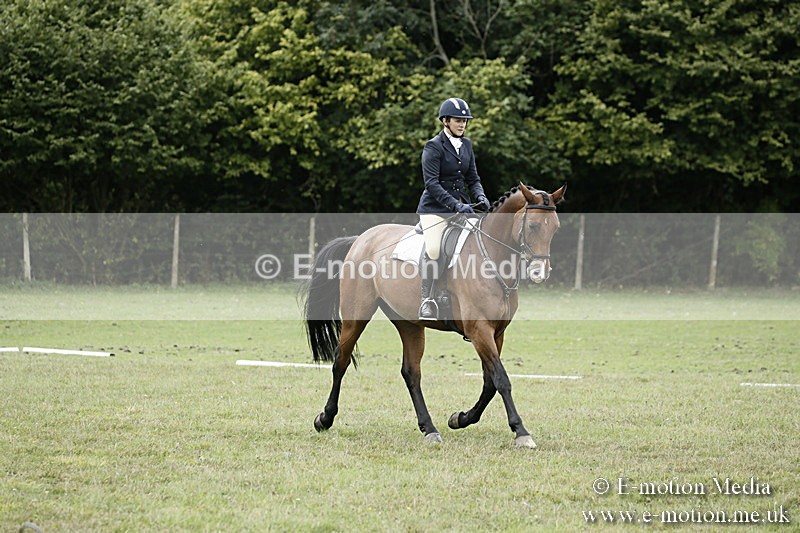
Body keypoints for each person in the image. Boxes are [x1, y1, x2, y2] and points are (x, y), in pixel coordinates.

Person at [415, 97, 491, 320]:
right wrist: (456, 205)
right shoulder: (433, 146)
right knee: (436, 248)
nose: (462, 125)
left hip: (463, 207)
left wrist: (480, 195)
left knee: (475, 244)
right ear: (445, 121)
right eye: (458, 120)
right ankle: (427, 299)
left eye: (465, 121)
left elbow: (473, 177)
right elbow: (432, 184)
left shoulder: (466, 145)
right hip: (434, 210)